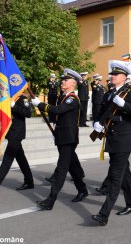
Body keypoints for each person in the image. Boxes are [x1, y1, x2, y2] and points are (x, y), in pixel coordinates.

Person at [91, 63, 131, 226]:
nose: (112, 76)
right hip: (112, 139)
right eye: (111, 74)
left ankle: (103, 214)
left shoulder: (130, 93)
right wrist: (97, 123)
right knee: (125, 175)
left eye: (115, 75)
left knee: (116, 177)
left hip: (123, 140)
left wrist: (124, 105)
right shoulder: (109, 94)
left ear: (124, 78)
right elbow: (103, 113)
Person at [32, 69, 88, 210]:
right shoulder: (62, 96)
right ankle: (82, 190)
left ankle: (51, 200)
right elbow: (58, 115)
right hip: (62, 136)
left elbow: (58, 110)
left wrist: (40, 104)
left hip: (68, 138)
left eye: (65, 80)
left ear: (73, 84)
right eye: (62, 80)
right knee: (72, 166)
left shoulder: (72, 98)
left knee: (61, 169)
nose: (62, 82)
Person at [0, 93, 33, 195]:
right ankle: (29, 182)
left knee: (7, 160)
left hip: (17, 133)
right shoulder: (6, 98)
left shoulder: (22, 99)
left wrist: (14, 106)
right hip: (10, 132)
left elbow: (28, 113)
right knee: (21, 159)